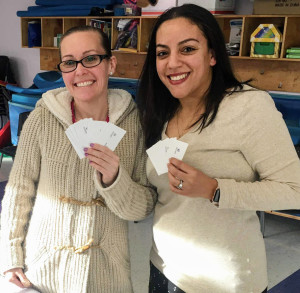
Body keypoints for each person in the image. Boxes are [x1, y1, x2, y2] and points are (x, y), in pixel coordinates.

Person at [137, 4, 300, 293]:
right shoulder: (159, 111)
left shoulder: (248, 106)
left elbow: (294, 189)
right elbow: (158, 193)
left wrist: (214, 189)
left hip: (224, 281)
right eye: (162, 53)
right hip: (163, 269)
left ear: (212, 54)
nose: (172, 63)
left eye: (187, 49)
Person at [0, 25, 156, 293]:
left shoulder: (138, 125)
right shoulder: (41, 118)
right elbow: (19, 189)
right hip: (43, 269)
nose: (80, 70)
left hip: (109, 273)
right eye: (70, 62)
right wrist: (10, 255)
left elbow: (145, 206)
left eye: (91, 58)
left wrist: (115, 180)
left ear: (111, 64)